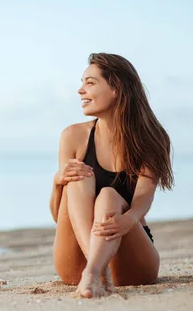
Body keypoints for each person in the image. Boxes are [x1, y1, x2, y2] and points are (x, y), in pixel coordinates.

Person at [50, 53, 174, 298]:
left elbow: (142, 204)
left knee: (108, 196)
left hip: (132, 264)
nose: (80, 90)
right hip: (76, 263)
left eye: (90, 82)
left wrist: (126, 220)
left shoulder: (151, 140)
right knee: (77, 179)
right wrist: (58, 182)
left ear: (116, 88)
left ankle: (95, 270)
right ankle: (96, 271)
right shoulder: (73, 137)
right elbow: (58, 217)